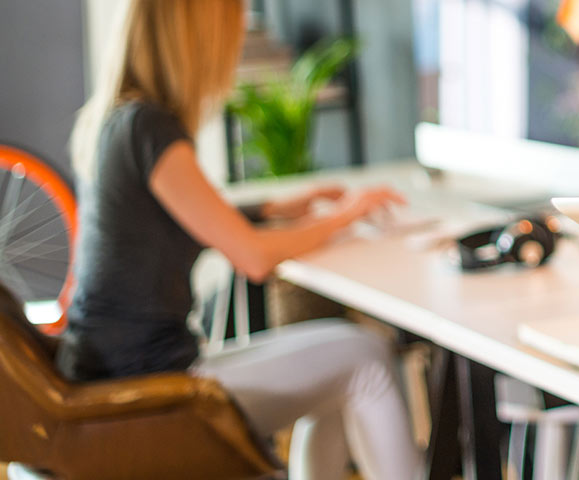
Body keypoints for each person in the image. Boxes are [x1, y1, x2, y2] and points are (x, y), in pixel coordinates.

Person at [62, 1, 423, 479]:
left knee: (341, 362)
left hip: (122, 371)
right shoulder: (150, 127)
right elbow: (253, 258)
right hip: (150, 390)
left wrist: (274, 209)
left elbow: (178, 214)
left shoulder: (121, 120)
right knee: (365, 358)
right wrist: (346, 214)